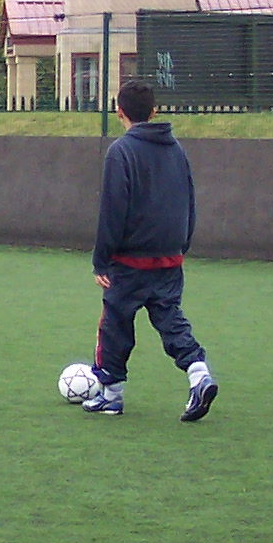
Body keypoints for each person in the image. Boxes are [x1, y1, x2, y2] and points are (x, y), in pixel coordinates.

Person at [84, 80, 217, 421]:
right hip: (169, 256)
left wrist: (101, 259)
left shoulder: (120, 152)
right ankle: (198, 373)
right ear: (155, 111)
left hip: (129, 261)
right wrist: (181, 244)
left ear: (119, 112)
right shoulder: (176, 150)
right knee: (171, 320)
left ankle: (111, 396)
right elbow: (189, 200)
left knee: (114, 325)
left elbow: (113, 209)